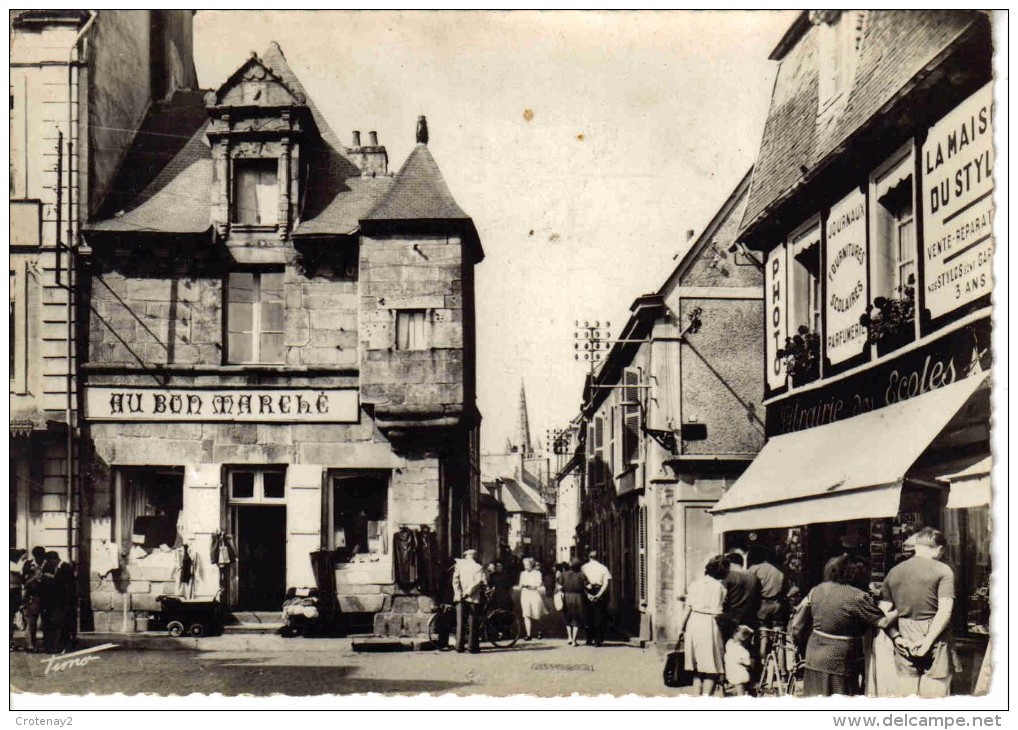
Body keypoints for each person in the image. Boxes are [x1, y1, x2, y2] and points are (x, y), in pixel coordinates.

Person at [791, 554, 896, 697]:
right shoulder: (856, 596)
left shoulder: (818, 589)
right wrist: (901, 609)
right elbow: (882, 621)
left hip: (814, 652)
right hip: (839, 657)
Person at [879, 527, 956, 698]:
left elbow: (880, 615)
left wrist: (895, 637)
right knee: (934, 697)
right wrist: (928, 642)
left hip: (904, 634)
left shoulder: (894, 571)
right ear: (939, 549)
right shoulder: (943, 570)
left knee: (906, 695)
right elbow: (945, 611)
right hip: (935, 635)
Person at [679, 554, 730, 696]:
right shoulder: (719, 587)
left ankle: (696, 696)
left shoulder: (695, 583)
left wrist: (682, 628)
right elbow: (717, 612)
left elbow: (687, 608)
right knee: (711, 667)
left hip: (693, 623)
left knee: (696, 667)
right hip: (709, 624)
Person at [747, 544, 790, 668]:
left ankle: (761, 668)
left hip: (762, 605)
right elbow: (785, 590)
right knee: (779, 639)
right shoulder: (781, 572)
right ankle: (782, 672)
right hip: (777, 605)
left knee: (763, 637)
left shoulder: (755, 569)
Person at [452, 549, 487, 654]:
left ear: (466, 556)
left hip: (460, 598)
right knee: (473, 623)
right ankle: (472, 647)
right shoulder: (478, 567)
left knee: (460, 622)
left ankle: (459, 646)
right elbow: (477, 583)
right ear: (474, 556)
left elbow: (455, 580)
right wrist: (468, 593)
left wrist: (459, 594)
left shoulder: (459, 566)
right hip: (473, 598)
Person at [721, 551, 762, 642]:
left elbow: (723, 599)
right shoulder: (753, 576)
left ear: (730, 563)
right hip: (749, 618)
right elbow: (758, 598)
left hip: (731, 619)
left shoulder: (728, 576)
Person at [581, 550, 611, 646]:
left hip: (588, 591)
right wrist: (599, 594)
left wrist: (587, 594)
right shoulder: (603, 568)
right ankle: (597, 640)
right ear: (598, 557)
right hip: (599, 590)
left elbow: (581, 583)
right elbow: (606, 583)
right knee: (599, 615)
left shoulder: (584, 567)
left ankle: (589, 639)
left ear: (589, 557)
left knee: (588, 615)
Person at [21, 547, 47, 652]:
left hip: (46, 596)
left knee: (46, 621)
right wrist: (35, 577)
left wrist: (43, 576)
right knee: (31, 622)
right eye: (38, 556)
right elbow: (24, 581)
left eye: (41, 556)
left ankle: (47, 643)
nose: (40, 559)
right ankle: (30, 645)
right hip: (33, 596)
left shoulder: (47, 564)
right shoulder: (28, 565)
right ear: (34, 556)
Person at [558, 558, 586, 646]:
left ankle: (569, 637)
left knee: (568, 618)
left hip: (566, 597)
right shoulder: (581, 575)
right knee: (576, 619)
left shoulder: (563, 574)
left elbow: (559, 587)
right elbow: (587, 586)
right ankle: (574, 641)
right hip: (578, 597)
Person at [517, 557, 547, 640]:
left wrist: (530, 585)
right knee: (526, 614)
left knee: (537, 614)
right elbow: (520, 584)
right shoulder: (523, 573)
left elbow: (538, 584)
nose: (526, 567)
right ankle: (528, 634)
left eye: (527, 565)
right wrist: (522, 585)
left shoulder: (537, 573)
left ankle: (539, 631)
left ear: (532, 565)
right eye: (524, 565)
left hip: (534, 594)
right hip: (525, 594)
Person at [725, 625, 755, 696]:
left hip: (740, 670)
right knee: (740, 688)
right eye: (743, 633)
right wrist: (746, 661)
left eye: (746, 634)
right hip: (737, 671)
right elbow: (735, 659)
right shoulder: (731, 645)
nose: (745, 636)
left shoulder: (740, 647)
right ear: (735, 633)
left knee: (743, 689)